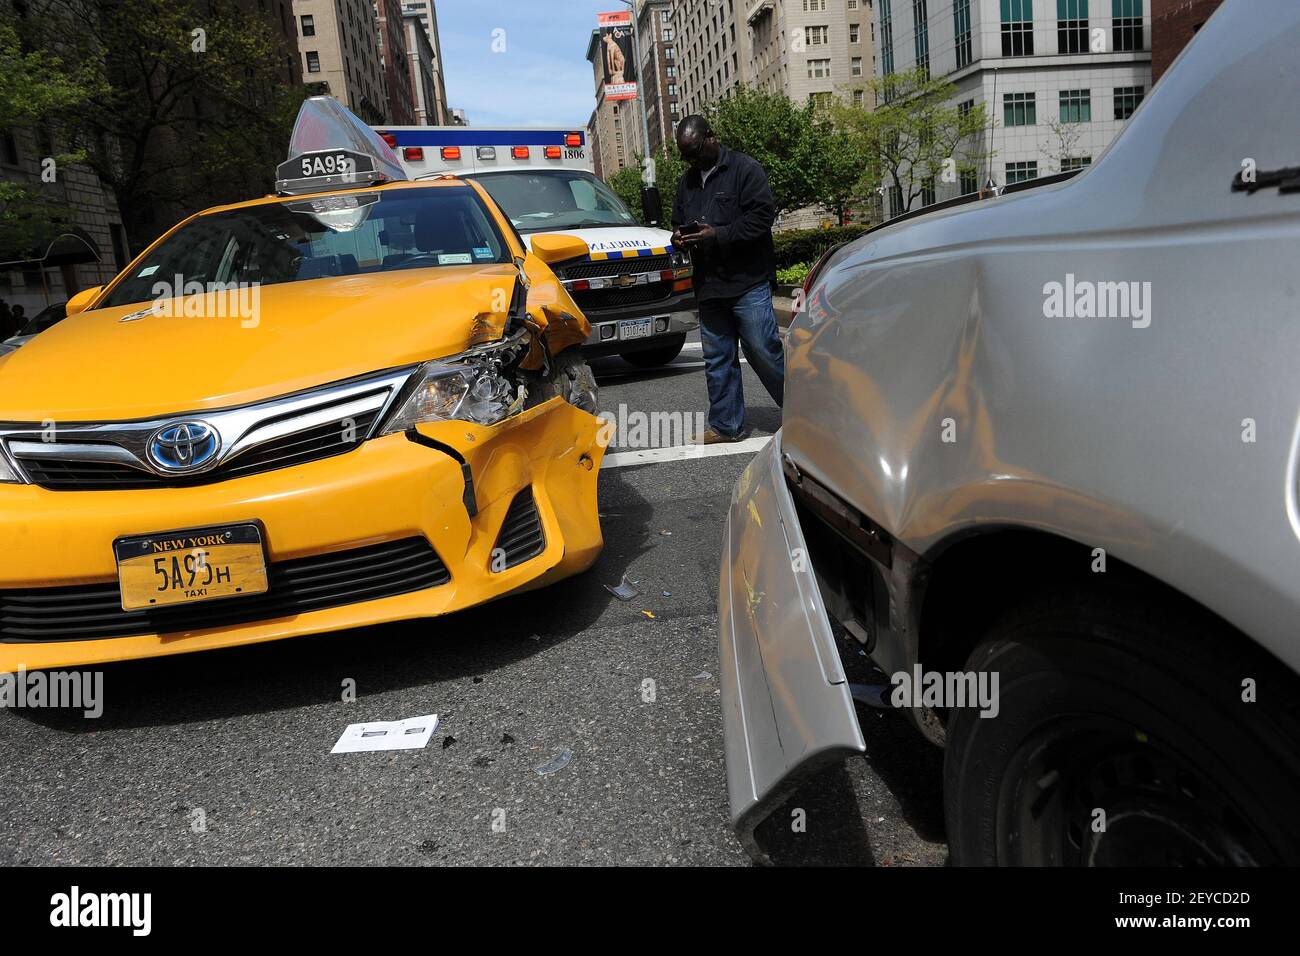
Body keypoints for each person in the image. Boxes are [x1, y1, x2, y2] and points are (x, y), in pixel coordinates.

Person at [671, 115, 785, 444]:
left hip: (747, 281)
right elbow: (678, 218)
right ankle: (726, 425)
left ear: (711, 138)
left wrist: (717, 235)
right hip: (710, 286)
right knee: (718, 357)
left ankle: (803, 414)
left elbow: (761, 219)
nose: (691, 160)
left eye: (694, 151)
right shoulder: (686, 181)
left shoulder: (745, 170)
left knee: (764, 351)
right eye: (685, 155)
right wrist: (679, 235)